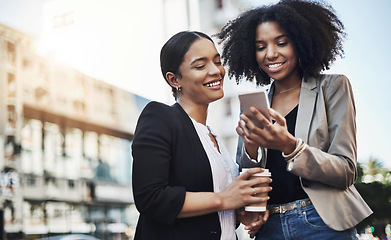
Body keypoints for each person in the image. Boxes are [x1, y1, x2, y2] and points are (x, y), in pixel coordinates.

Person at [216, 0, 372, 239]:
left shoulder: (332, 87)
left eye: (281, 43)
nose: (270, 54)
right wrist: (250, 147)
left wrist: (290, 146)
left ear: (300, 42)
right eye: (260, 47)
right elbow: (250, 178)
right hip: (271, 226)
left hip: (322, 223)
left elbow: (346, 172)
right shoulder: (256, 105)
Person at [131, 31, 272, 240]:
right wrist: (224, 199)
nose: (216, 71)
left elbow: (214, 213)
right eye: (200, 65)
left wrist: (241, 213)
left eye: (217, 61)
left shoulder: (213, 139)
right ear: (174, 79)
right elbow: (150, 197)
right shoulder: (160, 117)